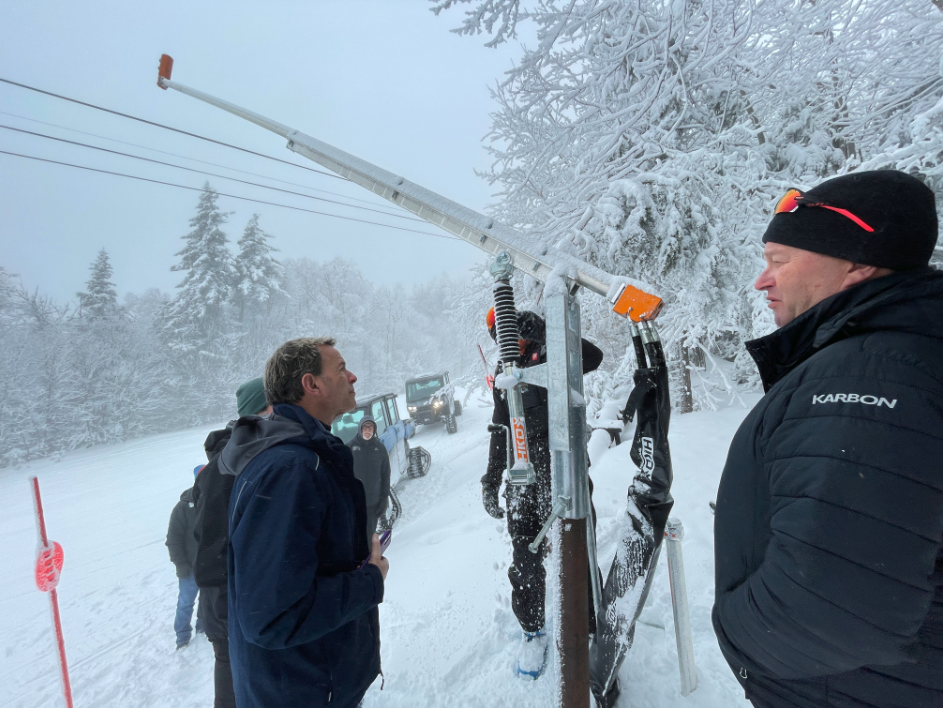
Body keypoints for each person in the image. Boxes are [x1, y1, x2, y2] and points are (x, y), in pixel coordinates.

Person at [713, 170, 943, 708]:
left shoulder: (868, 375)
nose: (761, 281)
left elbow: (829, 611)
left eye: (779, 260)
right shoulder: (892, 355)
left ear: (858, 263)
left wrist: (735, 627)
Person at [223, 337, 387, 708]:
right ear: (311, 385)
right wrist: (369, 582)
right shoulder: (290, 471)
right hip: (302, 693)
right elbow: (272, 616)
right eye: (341, 369)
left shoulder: (298, 459)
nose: (353, 376)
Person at [481, 309, 603, 681]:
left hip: (562, 462)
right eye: (498, 334)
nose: (507, 339)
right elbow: (500, 429)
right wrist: (490, 479)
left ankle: (592, 622)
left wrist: (550, 332)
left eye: (511, 331)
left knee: (577, 539)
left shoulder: (550, 352)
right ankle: (533, 630)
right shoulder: (505, 371)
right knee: (525, 551)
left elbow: (594, 358)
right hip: (523, 472)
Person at [191, 377, 272, 708]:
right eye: (277, 408)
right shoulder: (228, 468)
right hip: (234, 617)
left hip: (242, 613)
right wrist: (240, 617)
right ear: (259, 414)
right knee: (236, 694)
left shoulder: (249, 457)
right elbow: (211, 556)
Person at [166, 465, 204, 649]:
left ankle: (203, 629)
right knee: (185, 602)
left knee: (208, 599)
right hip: (189, 567)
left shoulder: (217, 500)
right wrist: (180, 563)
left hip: (210, 566)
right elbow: (173, 539)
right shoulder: (183, 507)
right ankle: (182, 636)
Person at [348, 415, 392, 544]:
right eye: (365, 427)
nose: (368, 430)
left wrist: (384, 499)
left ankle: (368, 561)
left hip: (373, 504)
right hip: (354, 505)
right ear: (360, 429)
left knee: (368, 537)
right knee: (354, 538)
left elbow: (385, 475)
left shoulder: (380, 449)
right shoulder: (349, 448)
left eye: (371, 427)